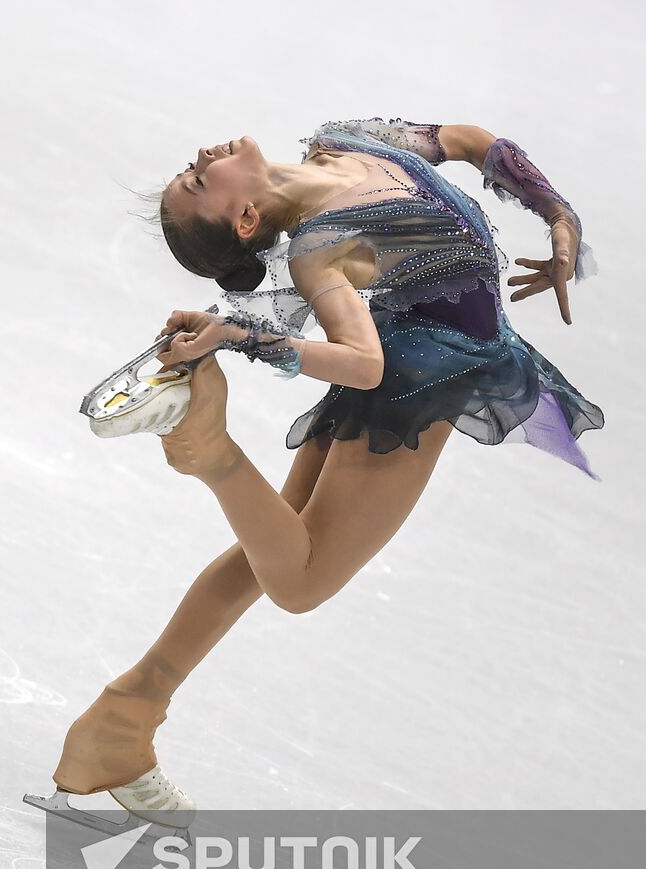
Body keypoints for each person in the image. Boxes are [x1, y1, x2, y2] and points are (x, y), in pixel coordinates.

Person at [34, 117, 604, 832]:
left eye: (191, 167)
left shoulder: (349, 139)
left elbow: (465, 141)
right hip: (419, 379)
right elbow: (363, 362)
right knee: (299, 580)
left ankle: (119, 723)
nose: (204, 154)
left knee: (264, 554)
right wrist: (243, 336)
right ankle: (210, 450)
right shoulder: (320, 246)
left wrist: (557, 213)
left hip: (425, 352)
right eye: (199, 179)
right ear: (246, 216)